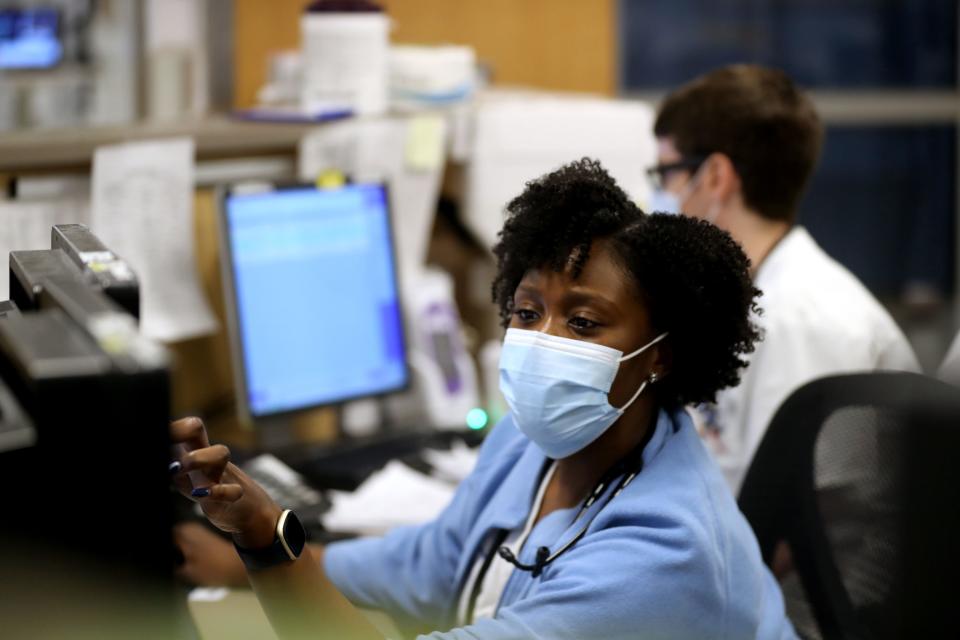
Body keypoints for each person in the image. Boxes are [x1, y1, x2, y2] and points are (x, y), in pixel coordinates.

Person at [171, 159, 797, 639]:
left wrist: (265, 540)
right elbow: (433, 562)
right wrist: (258, 562)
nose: (542, 340)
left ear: (660, 353)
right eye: (528, 312)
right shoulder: (531, 441)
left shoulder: (664, 555)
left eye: (583, 322)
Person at [648, 64, 920, 494]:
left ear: (716, 177)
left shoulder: (801, 319)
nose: (659, 195)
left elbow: (784, 519)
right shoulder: (756, 298)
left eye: (665, 173)